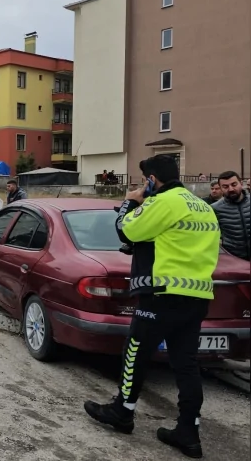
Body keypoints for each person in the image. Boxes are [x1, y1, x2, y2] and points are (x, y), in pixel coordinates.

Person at [84, 155, 220, 459]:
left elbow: (126, 231)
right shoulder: (204, 206)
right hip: (197, 297)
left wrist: (130, 202)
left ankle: (123, 411)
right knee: (186, 364)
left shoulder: (164, 202)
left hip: (161, 294)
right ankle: (189, 431)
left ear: (151, 179)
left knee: (135, 351)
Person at [211, 170, 250, 261]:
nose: (231, 189)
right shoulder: (215, 208)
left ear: (241, 183)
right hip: (234, 260)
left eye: (234, 184)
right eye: (225, 186)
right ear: (220, 188)